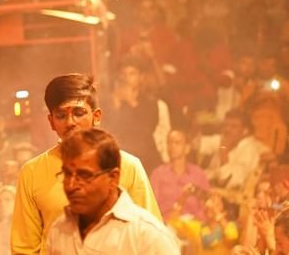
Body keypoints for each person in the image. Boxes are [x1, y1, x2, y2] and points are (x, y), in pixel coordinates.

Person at [11, 73, 161, 254]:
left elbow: (151, 239)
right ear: (51, 121)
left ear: (96, 116)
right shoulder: (32, 172)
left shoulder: (128, 166)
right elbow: (24, 249)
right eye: (61, 115)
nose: (70, 122)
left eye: (79, 113)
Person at [46, 128, 180, 254]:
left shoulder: (147, 236)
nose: (71, 185)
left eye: (84, 176)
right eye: (67, 174)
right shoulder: (59, 230)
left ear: (113, 178)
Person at [150, 129, 210, 219]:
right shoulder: (158, 174)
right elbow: (152, 206)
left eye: (177, 143)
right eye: (169, 143)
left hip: (194, 226)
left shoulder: (198, 174)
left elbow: (207, 205)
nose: (172, 146)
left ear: (187, 148)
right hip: (166, 226)